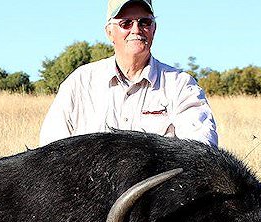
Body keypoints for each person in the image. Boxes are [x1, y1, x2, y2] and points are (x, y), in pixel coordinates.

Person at [39, 0, 218, 147]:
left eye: (144, 22)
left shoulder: (181, 86)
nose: (136, 30)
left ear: (154, 28)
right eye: (126, 23)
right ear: (109, 32)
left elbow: (202, 152)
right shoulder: (79, 83)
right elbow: (50, 154)